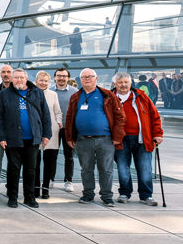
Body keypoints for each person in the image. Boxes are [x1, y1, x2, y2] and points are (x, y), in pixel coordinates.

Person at [65, 68, 126, 206]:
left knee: (106, 169)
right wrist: (70, 137)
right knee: (86, 169)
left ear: (96, 78)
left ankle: (107, 196)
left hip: (105, 139)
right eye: (84, 77)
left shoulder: (107, 95)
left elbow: (120, 117)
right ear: (80, 80)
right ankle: (88, 194)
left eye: (90, 76)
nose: (87, 79)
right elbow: (69, 118)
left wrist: (117, 136)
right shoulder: (75, 97)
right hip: (83, 139)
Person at [0, 68, 51, 209]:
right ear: (12, 79)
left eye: (21, 77)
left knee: (30, 169)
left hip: (32, 138)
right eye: (16, 78)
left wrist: (46, 134)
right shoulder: (3, 94)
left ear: (26, 79)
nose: (18, 80)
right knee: (13, 169)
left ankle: (29, 197)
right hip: (12, 137)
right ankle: (12, 197)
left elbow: (45, 114)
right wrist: (1, 137)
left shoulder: (37, 92)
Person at [113, 72, 163, 206]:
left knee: (145, 168)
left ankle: (146, 195)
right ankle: (124, 193)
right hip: (121, 139)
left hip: (142, 139)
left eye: (126, 82)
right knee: (123, 169)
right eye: (120, 82)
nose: (123, 85)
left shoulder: (141, 97)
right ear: (115, 84)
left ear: (131, 83)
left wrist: (157, 133)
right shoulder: (110, 98)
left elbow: (155, 116)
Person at [33, 71, 63, 199]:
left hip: (51, 131)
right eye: (41, 80)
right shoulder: (31, 93)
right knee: (35, 161)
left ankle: (45, 188)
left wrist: (58, 123)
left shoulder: (53, 94)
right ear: (36, 81)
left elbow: (58, 112)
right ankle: (35, 187)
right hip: (35, 130)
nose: (43, 83)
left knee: (49, 161)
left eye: (46, 81)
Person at [0, 64, 14, 196]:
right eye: (3, 72)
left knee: (13, 162)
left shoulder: (18, 90)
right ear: (0, 74)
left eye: (8, 72)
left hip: (13, 132)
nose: (6, 74)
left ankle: (11, 186)